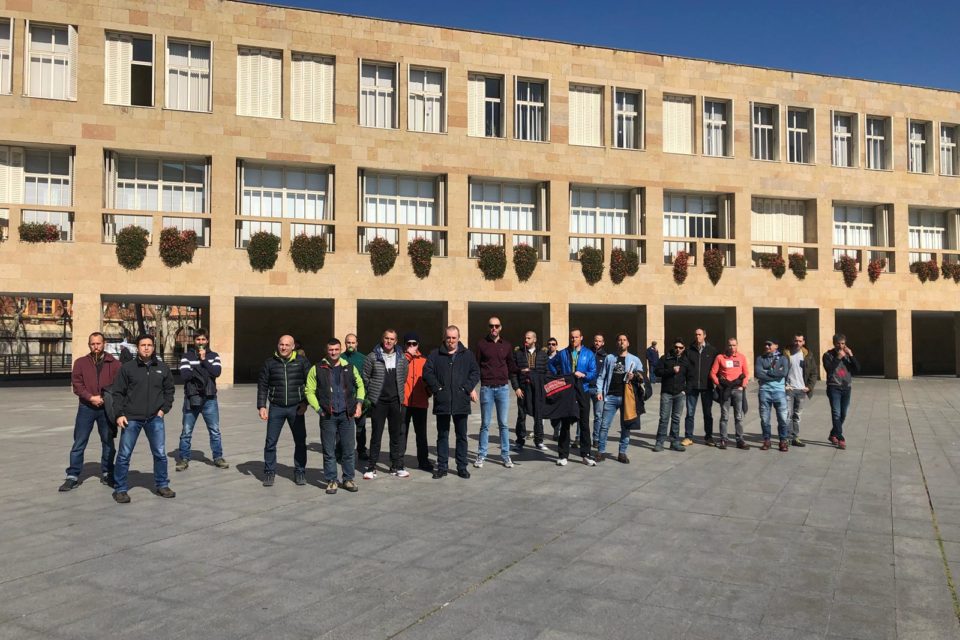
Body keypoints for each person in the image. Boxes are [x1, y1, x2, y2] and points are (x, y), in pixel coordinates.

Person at [111, 335, 176, 503]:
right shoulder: (127, 368)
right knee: (124, 454)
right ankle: (120, 488)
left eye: (149, 345)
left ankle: (162, 484)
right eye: (143, 345)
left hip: (155, 418)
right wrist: (119, 414)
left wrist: (164, 409)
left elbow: (169, 390)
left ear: (153, 347)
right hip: (131, 417)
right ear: (137, 348)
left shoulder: (162, 368)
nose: (146, 348)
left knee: (160, 454)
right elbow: (117, 393)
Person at [61, 332, 122, 491]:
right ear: (89, 345)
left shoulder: (114, 364)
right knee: (79, 442)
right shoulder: (80, 363)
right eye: (92, 344)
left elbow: (119, 386)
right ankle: (72, 475)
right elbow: (77, 385)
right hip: (86, 407)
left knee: (108, 442)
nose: (96, 346)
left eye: (98, 343)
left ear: (104, 344)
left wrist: (105, 398)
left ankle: (108, 472)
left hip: (106, 408)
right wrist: (90, 397)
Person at [305, 338, 364, 494]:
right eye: (331, 350)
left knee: (348, 449)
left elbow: (360, 385)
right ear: (327, 350)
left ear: (340, 349)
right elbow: (309, 391)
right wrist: (318, 409)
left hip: (347, 415)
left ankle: (348, 479)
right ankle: (331, 480)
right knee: (329, 450)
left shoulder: (349, 367)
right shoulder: (317, 368)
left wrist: (358, 404)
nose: (334, 352)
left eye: (336, 349)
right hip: (328, 416)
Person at [423, 326, 480, 479]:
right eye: (448, 337)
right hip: (443, 402)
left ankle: (462, 467)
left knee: (461, 436)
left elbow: (475, 372)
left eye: (454, 338)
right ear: (444, 338)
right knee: (443, 435)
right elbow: (427, 372)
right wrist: (437, 388)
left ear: (458, 338)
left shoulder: (467, 355)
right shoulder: (435, 354)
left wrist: (466, 388)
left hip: (461, 401)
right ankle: (442, 467)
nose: (451, 341)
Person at [257, 334, 311, 487]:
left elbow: (310, 384)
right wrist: (262, 406)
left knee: (300, 442)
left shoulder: (302, 362)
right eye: (281, 344)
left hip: (296, 408)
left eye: (287, 345)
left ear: (293, 346)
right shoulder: (269, 363)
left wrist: (305, 403)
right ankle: (269, 472)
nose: (284, 347)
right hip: (276, 407)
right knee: (270, 442)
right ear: (278, 345)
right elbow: (263, 385)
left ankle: (300, 471)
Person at [176, 328, 228, 471]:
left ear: (207, 340)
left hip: (210, 399)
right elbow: (184, 375)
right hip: (192, 398)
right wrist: (203, 372)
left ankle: (218, 457)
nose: (200, 342)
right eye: (198, 339)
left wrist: (203, 361)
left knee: (215, 430)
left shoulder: (213, 355)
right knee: (186, 431)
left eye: (203, 339)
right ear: (194, 341)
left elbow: (216, 372)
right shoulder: (187, 356)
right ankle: (184, 458)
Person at [362, 329, 409, 479]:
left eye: (392, 339)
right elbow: (365, 377)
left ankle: (397, 466)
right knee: (376, 434)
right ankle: (371, 467)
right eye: (386, 338)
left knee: (396, 434)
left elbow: (404, 376)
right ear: (383, 339)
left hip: (395, 401)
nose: (389, 341)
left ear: (396, 341)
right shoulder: (372, 357)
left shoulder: (402, 358)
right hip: (379, 402)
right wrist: (373, 391)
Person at [473, 316, 518, 468]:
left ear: (501, 327)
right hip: (486, 388)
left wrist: (522, 374)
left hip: (503, 389)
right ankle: (481, 455)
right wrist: (472, 387)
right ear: (488, 327)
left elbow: (511, 365)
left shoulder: (506, 345)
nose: (494, 328)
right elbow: (476, 366)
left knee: (503, 424)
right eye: (491, 326)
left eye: (497, 326)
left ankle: (505, 455)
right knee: (485, 424)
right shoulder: (481, 344)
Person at [548, 328, 597, 466]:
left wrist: (584, 375)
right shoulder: (563, 353)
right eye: (571, 337)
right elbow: (550, 364)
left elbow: (593, 372)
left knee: (584, 423)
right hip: (567, 391)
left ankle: (586, 454)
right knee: (565, 422)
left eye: (576, 337)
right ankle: (563, 455)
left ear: (581, 338)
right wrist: (559, 375)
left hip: (583, 389)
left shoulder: (588, 354)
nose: (573, 339)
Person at [596, 333, 644, 463]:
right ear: (617, 343)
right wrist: (599, 391)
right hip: (611, 396)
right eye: (619, 340)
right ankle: (601, 451)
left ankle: (622, 453)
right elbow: (601, 376)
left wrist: (634, 376)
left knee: (626, 427)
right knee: (604, 425)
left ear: (628, 343)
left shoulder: (635, 359)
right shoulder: (610, 358)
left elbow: (642, 378)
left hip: (627, 398)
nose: (622, 342)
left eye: (624, 340)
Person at [510, 330, 549, 452]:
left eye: (528, 338)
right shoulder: (519, 353)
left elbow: (547, 372)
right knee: (521, 415)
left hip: (538, 389)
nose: (526, 340)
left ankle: (539, 441)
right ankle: (520, 441)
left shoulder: (543, 354)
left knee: (538, 415)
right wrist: (516, 388)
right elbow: (513, 372)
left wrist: (545, 387)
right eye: (525, 338)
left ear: (534, 339)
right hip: (523, 388)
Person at [709, 338, 750, 450]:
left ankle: (740, 440)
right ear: (727, 346)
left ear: (737, 345)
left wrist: (743, 385)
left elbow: (746, 373)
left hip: (738, 390)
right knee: (724, 416)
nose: (732, 348)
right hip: (725, 390)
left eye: (734, 345)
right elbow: (713, 373)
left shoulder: (741, 357)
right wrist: (719, 385)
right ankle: (723, 439)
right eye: (730, 345)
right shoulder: (720, 357)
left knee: (738, 416)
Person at [402, 332, 433, 471]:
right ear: (405, 345)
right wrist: (407, 357)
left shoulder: (424, 360)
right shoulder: (401, 359)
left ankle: (423, 461)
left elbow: (429, 379)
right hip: (404, 402)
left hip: (420, 402)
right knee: (401, 433)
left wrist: (428, 393)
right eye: (409, 343)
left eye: (414, 343)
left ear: (418, 345)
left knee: (421, 434)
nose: (411, 346)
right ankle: (398, 461)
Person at [682, 328, 718, 446]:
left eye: (699, 334)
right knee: (690, 413)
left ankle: (709, 437)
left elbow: (716, 368)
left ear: (705, 335)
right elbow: (684, 368)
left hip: (707, 386)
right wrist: (684, 384)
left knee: (707, 413)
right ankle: (688, 437)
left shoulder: (712, 351)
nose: (697, 336)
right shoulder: (689, 350)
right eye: (696, 334)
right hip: (692, 386)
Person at [823, 334, 860, 450]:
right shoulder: (828, 355)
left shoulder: (847, 355)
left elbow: (857, 369)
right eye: (838, 343)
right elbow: (829, 369)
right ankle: (840, 438)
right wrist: (838, 357)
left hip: (846, 387)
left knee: (843, 414)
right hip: (834, 387)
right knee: (836, 413)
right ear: (834, 343)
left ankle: (833, 434)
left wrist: (851, 355)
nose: (841, 346)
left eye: (843, 343)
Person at [756, 338, 791, 451]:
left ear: (776, 346)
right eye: (765, 344)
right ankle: (767, 440)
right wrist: (775, 374)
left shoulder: (783, 358)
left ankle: (783, 441)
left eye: (769, 344)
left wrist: (768, 372)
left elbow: (784, 373)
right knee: (765, 418)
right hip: (764, 392)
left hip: (779, 392)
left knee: (782, 418)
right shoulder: (760, 359)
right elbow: (758, 374)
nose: (767, 346)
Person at [654, 339, 688, 452]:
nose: (678, 349)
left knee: (676, 418)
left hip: (679, 393)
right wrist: (671, 370)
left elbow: (690, 376)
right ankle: (659, 442)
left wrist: (685, 390)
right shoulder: (665, 358)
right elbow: (657, 371)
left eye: (680, 347)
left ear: (684, 349)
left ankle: (674, 442)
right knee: (664, 418)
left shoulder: (685, 360)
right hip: (666, 393)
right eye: (676, 347)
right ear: (673, 347)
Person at [786, 333, 818, 447]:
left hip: (801, 390)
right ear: (793, 341)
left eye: (800, 341)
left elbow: (814, 372)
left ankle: (795, 437)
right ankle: (787, 438)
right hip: (789, 389)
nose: (798, 343)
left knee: (797, 415)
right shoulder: (786, 353)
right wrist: (785, 384)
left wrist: (809, 386)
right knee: (788, 414)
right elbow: (780, 369)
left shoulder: (808, 355)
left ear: (803, 342)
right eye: (796, 341)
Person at [343, 333, 369, 460]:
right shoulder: (340, 358)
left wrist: (365, 398)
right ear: (345, 343)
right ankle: (341, 450)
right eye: (348, 342)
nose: (351, 345)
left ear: (357, 344)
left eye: (353, 343)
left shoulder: (363, 359)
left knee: (360, 426)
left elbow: (367, 379)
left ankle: (361, 449)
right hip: (343, 399)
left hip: (359, 398)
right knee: (342, 427)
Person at [587, 334, 607, 443]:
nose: (597, 343)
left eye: (600, 341)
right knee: (583, 414)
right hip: (586, 387)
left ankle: (596, 438)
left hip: (598, 390)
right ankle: (579, 438)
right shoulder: (587, 353)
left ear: (603, 343)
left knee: (598, 415)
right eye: (596, 341)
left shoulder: (606, 356)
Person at [545, 337, 562, 439]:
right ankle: (554, 426)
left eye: (553, 344)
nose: (551, 346)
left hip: (557, 386)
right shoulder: (544, 357)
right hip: (546, 386)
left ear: (556, 346)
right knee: (549, 408)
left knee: (557, 408)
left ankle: (557, 430)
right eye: (549, 344)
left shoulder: (560, 357)